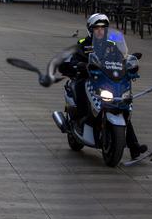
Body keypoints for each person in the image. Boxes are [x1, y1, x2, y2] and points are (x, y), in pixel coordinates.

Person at [59, 13, 147, 159]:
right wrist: (78, 64)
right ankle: (78, 119)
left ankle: (134, 146)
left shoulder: (112, 43)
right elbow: (72, 58)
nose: (100, 31)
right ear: (90, 29)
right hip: (87, 78)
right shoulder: (83, 43)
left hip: (106, 80)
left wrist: (130, 61)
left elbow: (122, 57)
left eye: (103, 28)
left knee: (121, 106)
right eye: (97, 28)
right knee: (80, 87)